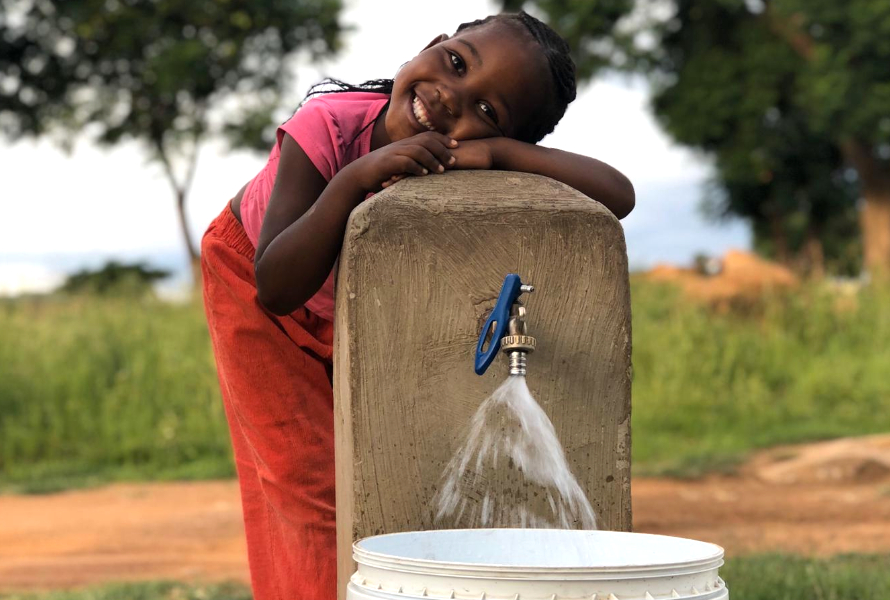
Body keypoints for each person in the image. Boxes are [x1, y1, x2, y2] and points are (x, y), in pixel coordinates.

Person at [200, 11, 634, 600]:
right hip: (254, 283)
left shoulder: (462, 156)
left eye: (488, 111)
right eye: (456, 62)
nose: (450, 96)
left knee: (385, 469)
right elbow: (276, 284)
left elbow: (619, 195)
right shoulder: (328, 125)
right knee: (306, 484)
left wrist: (502, 152)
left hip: (361, 305)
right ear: (434, 44)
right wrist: (353, 180)